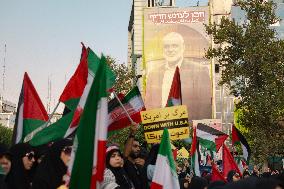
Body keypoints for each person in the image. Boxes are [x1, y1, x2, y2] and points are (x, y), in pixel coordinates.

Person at [145, 32, 212, 120]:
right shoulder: (153, 74)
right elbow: (149, 106)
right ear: (163, 49)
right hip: (161, 129)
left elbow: (205, 107)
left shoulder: (199, 71)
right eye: (166, 46)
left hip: (188, 129)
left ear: (183, 47)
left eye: (174, 46)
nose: (170, 50)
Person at [123, 124, 148, 189]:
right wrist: (132, 133)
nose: (138, 149)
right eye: (135, 146)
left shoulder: (141, 162)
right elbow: (125, 154)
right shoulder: (123, 163)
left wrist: (144, 166)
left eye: (139, 147)